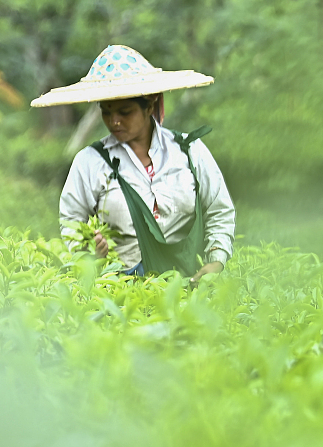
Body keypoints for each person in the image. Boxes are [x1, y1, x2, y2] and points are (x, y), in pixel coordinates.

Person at [32, 45, 235, 282]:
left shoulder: (188, 151)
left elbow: (219, 210)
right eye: (106, 112)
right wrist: (87, 250)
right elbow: (71, 220)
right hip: (122, 288)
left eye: (125, 112)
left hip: (190, 284)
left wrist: (216, 261)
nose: (114, 121)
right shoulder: (91, 161)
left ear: (149, 106)